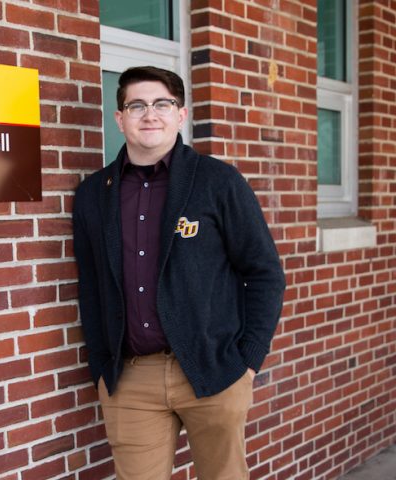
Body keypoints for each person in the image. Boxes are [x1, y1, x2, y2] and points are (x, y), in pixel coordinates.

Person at [72, 66, 286, 480]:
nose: (149, 114)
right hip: (131, 379)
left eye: (162, 104)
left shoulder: (218, 182)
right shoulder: (93, 195)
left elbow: (264, 273)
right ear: (120, 119)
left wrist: (248, 362)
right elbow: (92, 287)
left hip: (215, 368)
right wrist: (101, 366)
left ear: (181, 115)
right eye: (136, 105)